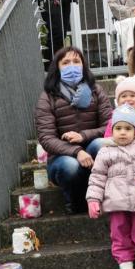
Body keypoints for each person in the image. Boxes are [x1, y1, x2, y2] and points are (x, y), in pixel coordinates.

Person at [35, 46, 113, 215]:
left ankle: (102, 196)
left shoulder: (96, 91)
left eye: (76, 61)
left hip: (91, 149)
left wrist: (83, 136)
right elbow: (46, 137)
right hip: (62, 157)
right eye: (66, 62)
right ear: (57, 67)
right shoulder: (48, 97)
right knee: (70, 166)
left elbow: (110, 126)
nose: (72, 66)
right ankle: (75, 201)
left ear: (83, 66)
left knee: (102, 144)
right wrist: (76, 151)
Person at [86, 104, 135, 269]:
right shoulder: (105, 152)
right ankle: (125, 262)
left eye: (128, 128)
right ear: (112, 130)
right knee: (119, 233)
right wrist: (93, 200)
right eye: (118, 128)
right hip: (116, 202)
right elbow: (97, 178)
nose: (123, 132)